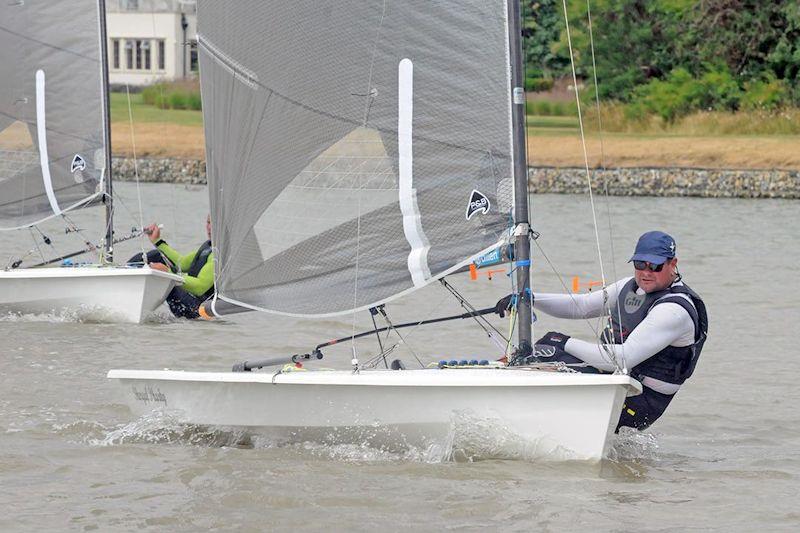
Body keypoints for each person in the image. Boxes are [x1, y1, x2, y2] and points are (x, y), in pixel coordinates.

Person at [496, 231, 708, 431]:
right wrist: (530, 298)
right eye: (639, 263)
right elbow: (581, 306)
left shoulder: (673, 311)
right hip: (616, 383)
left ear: (673, 264)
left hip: (640, 401)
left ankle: (512, 412)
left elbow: (622, 359)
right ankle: (501, 386)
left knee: (550, 350)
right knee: (543, 352)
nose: (645, 272)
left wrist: (562, 341)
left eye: (655, 266)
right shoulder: (629, 287)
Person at [128, 215, 214, 319]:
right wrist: (157, 241)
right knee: (156, 255)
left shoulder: (218, 255)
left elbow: (200, 287)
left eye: (213, 223)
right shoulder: (208, 247)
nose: (209, 227)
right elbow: (180, 263)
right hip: (188, 299)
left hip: (196, 309)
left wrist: (168, 273)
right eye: (208, 222)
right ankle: (125, 276)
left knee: (166, 277)